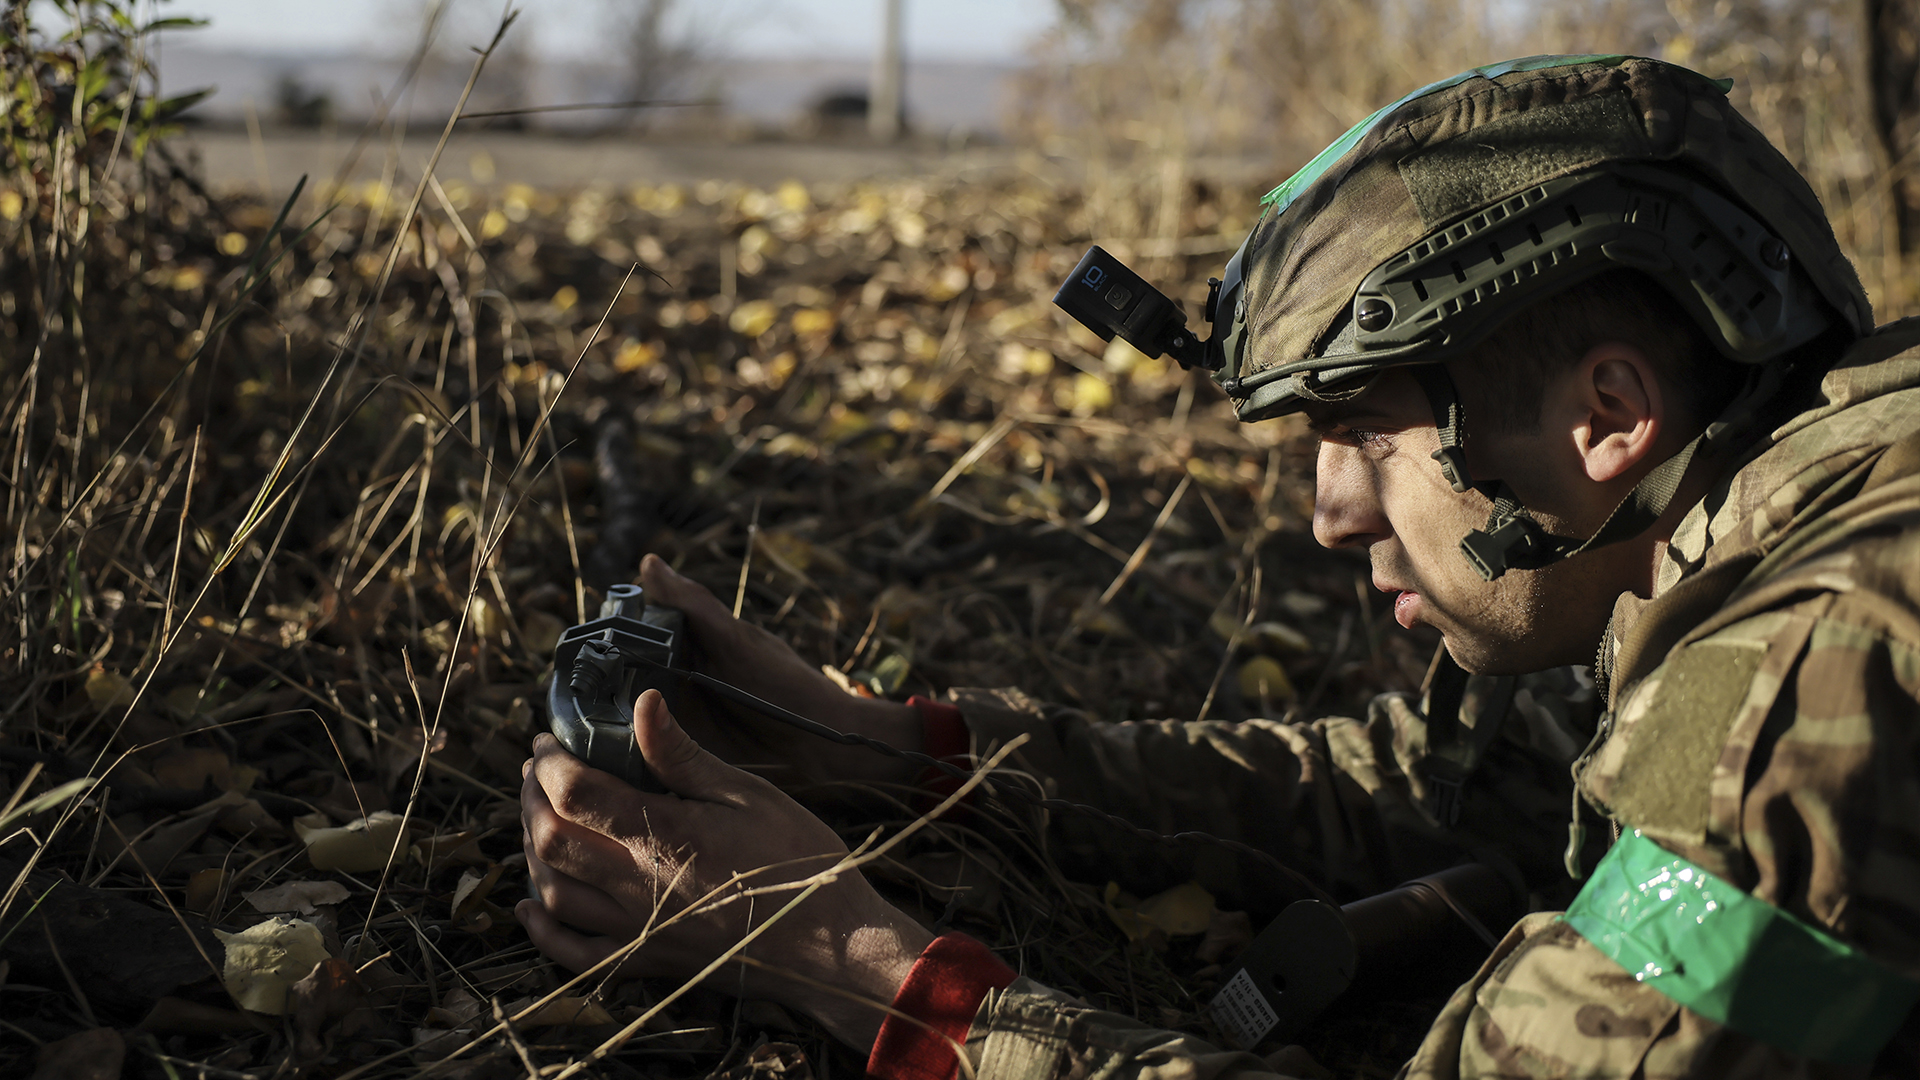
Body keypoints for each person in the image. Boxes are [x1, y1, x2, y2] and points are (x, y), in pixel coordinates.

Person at [516, 54, 1920, 1077]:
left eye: (1363, 440)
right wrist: (898, 752)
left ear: (1608, 418)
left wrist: (848, 965)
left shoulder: (1797, 697)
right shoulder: (1762, 508)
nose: (1329, 514)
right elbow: (1423, 789)